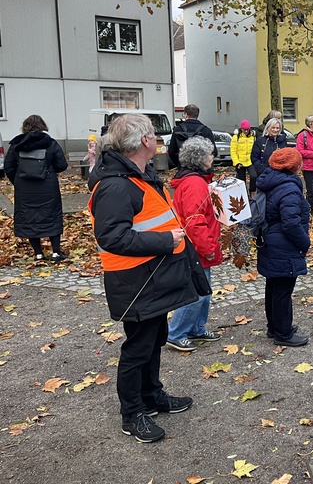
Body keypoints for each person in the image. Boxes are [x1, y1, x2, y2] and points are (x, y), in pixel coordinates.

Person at [88, 113, 198, 443]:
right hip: (134, 282)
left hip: (153, 277)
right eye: (153, 133)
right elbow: (112, 237)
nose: (158, 138)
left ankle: (151, 396)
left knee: (155, 338)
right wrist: (165, 241)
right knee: (137, 348)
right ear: (144, 141)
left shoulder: (139, 175)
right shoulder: (116, 186)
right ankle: (132, 413)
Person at [166, 137, 223, 351]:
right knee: (197, 292)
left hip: (197, 246)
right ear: (200, 159)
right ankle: (177, 333)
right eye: (210, 154)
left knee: (204, 291)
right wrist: (207, 248)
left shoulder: (196, 181)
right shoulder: (195, 184)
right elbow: (195, 221)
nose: (212, 157)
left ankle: (196, 328)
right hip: (196, 248)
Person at [255, 148, 311, 347]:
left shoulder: (270, 181)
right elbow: (291, 223)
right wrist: (304, 242)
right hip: (284, 245)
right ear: (294, 166)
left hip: (270, 240)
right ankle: (283, 333)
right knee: (283, 291)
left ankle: (274, 326)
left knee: (273, 286)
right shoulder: (289, 188)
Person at [4, 114, 69, 262]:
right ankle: (56, 252)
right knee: (52, 216)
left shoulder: (16, 144)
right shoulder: (50, 143)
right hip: (48, 187)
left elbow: (9, 166)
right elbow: (62, 165)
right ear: (43, 126)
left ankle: (38, 254)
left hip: (24, 188)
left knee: (29, 218)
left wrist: (18, 181)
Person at [167, 104, 217, 168]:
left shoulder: (177, 130)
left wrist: (180, 164)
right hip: (202, 167)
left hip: (184, 168)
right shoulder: (206, 130)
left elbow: (172, 151)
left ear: (186, 115)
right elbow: (214, 151)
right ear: (197, 115)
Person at [251, 117, 288, 187]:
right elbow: (254, 157)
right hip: (264, 175)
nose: (275, 130)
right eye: (273, 128)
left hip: (280, 175)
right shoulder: (260, 141)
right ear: (268, 128)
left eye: (277, 128)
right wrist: (261, 170)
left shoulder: (283, 141)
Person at [231, 120, 256, 190]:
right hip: (240, 162)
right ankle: (243, 193)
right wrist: (236, 162)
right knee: (242, 181)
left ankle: (252, 191)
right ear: (241, 129)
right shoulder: (236, 137)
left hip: (250, 161)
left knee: (254, 176)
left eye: (247, 129)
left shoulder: (252, 137)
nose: (246, 131)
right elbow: (233, 151)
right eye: (244, 130)